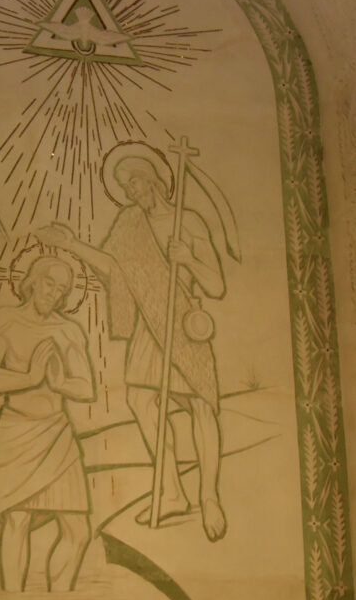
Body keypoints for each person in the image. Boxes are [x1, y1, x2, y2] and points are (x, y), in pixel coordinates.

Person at [46, 151, 227, 540]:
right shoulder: (130, 223)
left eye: (134, 181)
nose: (131, 191)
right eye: (125, 186)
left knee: (199, 405)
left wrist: (188, 260)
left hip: (183, 323)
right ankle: (172, 491)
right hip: (148, 325)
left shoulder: (188, 222)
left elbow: (215, 285)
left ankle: (209, 497)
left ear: (153, 180)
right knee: (142, 400)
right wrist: (73, 244)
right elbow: (113, 268)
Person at [0, 255, 95, 592]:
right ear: (32, 282)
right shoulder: (5, 321)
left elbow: (86, 387)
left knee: (78, 530)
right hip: (18, 429)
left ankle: (59, 597)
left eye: (61, 289)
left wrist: (60, 383)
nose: (53, 293)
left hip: (57, 430)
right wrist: (29, 377)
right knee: (18, 520)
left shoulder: (68, 331)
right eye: (48, 283)